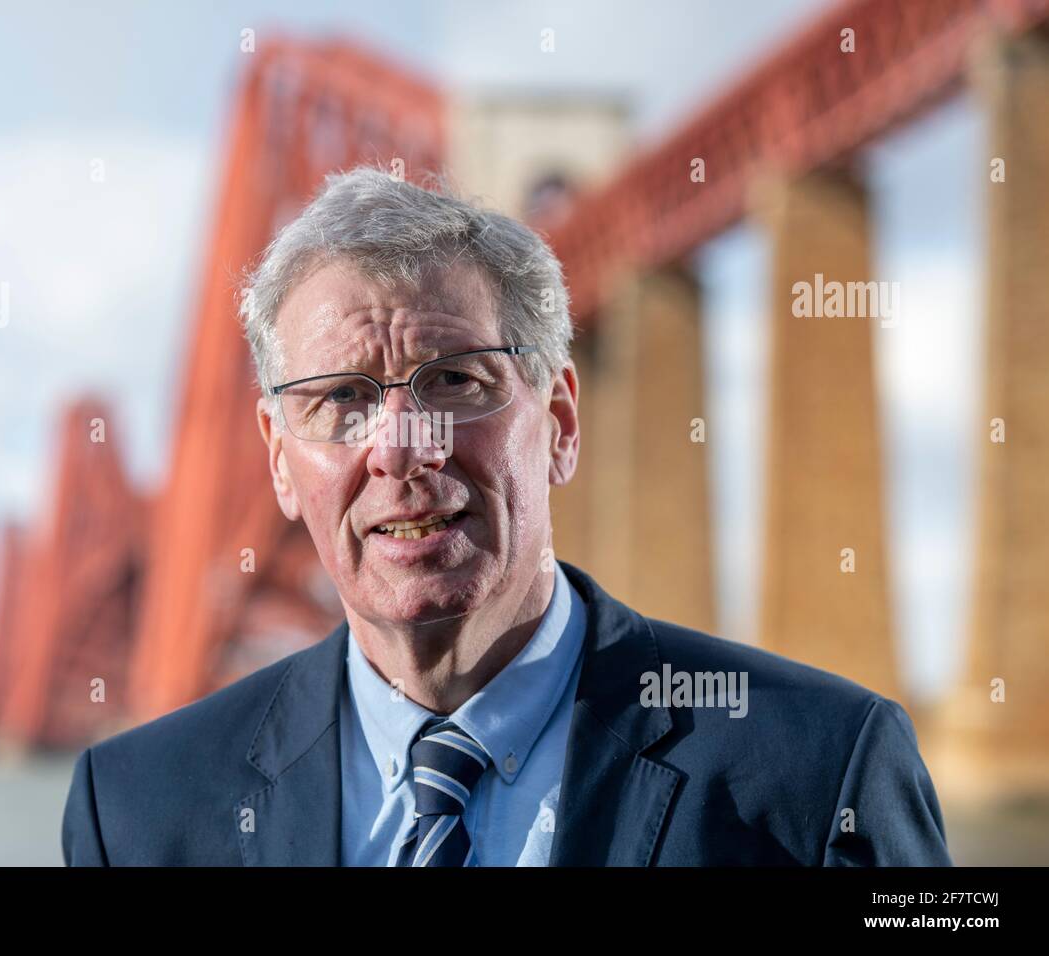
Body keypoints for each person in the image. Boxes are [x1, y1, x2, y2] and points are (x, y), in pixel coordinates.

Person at [61, 165, 952, 866]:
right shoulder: (138, 809)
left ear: (559, 423)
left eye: (455, 381)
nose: (403, 448)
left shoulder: (822, 770)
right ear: (278, 462)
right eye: (341, 400)